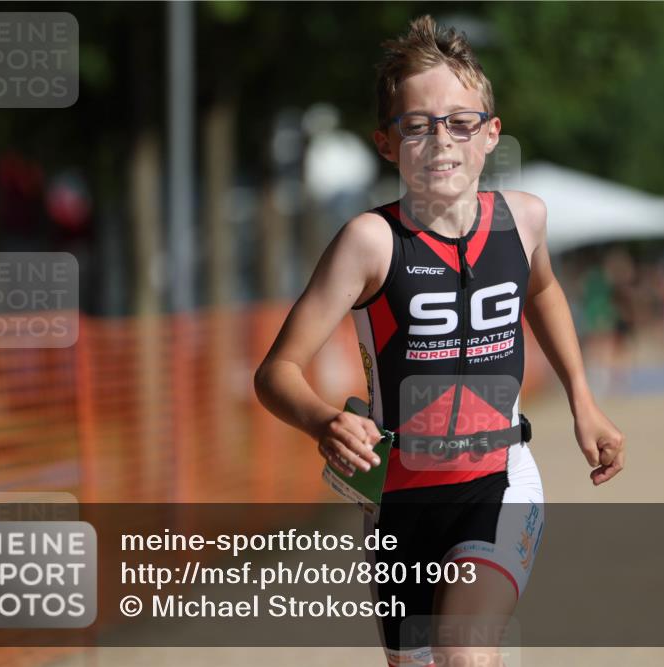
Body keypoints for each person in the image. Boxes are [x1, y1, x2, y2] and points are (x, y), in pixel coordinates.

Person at [254, 15, 625, 667]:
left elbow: (543, 291)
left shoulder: (524, 221)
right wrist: (321, 420)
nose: (441, 141)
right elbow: (276, 370)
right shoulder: (370, 243)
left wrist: (583, 400)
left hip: (499, 479)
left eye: (460, 122)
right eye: (417, 125)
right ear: (386, 143)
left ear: (490, 133)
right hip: (398, 500)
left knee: (464, 652)